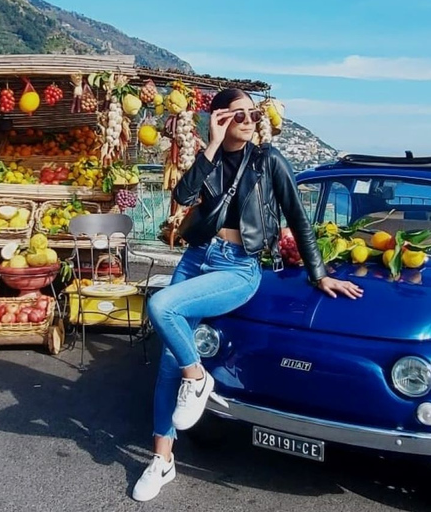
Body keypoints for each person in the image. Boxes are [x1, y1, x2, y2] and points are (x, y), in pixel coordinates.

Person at [132, 89, 364, 502]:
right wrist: (213, 145)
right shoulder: (212, 157)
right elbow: (182, 197)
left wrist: (319, 274)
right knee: (169, 362)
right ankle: (162, 460)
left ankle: (197, 377)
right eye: (236, 114)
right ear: (219, 118)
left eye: (252, 113)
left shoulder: (269, 160)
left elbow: (297, 216)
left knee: (160, 306)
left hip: (238, 267)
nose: (247, 119)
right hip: (196, 257)